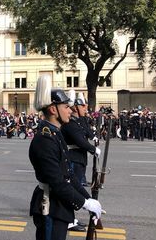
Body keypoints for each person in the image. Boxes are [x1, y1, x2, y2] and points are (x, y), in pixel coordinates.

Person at [29, 76, 102, 240]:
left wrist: (88, 199)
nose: (70, 110)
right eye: (66, 107)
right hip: (50, 206)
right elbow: (57, 182)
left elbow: (68, 174)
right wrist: (84, 204)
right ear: (53, 110)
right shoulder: (44, 139)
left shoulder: (55, 133)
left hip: (59, 205)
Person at [61, 91, 102, 232]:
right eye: (82, 106)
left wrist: (93, 137)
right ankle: (68, 220)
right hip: (73, 157)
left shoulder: (77, 121)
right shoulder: (71, 124)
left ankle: (70, 218)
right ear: (75, 107)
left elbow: (84, 134)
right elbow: (79, 140)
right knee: (71, 189)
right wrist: (92, 149)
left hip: (78, 157)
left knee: (75, 188)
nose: (85, 108)